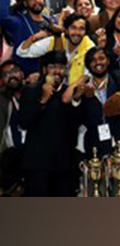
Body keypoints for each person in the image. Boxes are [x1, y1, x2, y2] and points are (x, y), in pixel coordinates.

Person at [63, 47, 120, 159]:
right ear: (88, 65)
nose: (98, 63)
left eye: (101, 58)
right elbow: (74, 120)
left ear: (108, 61)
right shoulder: (82, 88)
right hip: (93, 145)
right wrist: (76, 98)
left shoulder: (119, 78)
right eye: (93, 60)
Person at [20, 51, 79, 196]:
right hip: (37, 164)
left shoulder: (69, 92)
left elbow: (75, 125)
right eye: (52, 66)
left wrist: (75, 100)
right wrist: (43, 100)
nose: (57, 71)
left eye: (61, 67)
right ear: (45, 69)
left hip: (64, 163)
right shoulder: (31, 90)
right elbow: (24, 122)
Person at [17, 13, 95, 85]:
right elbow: (21, 52)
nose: (77, 32)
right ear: (66, 30)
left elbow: (87, 76)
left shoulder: (90, 47)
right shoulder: (55, 39)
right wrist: (35, 37)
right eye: (73, 28)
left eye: (81, 29)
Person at [0, 0, 55, 78]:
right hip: (25, 77)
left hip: (48, 75)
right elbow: (2, 16)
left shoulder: (51, 21)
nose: (37, 1)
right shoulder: (19, 22)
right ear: (25, 3)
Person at [0, 61, 26, 195]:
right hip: (11, 157)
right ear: (2, 80)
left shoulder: (34, 94)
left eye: (15, 71)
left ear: (22, 73)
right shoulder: (2, 100)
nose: (12, 76)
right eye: (6, 74)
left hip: (35, 155)